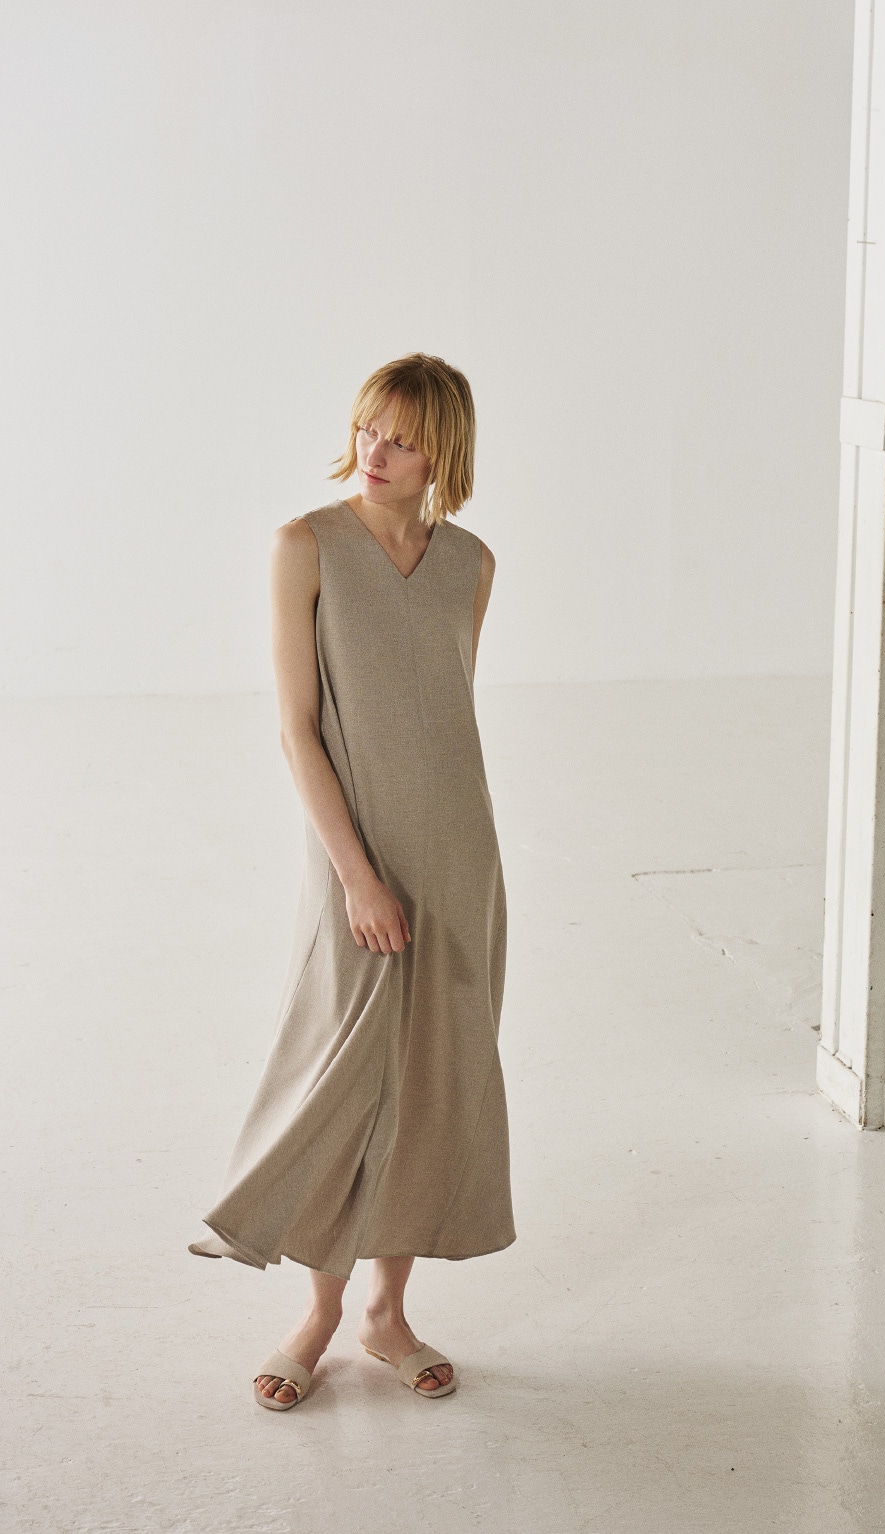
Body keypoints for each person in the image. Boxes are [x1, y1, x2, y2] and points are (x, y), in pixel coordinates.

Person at [188, 352, 515, 1409]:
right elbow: (298, 730)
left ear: (443, 453)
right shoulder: (307, 545)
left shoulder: (473, 564)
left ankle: (385, 1312)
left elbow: (445, 715)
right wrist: (358, 878)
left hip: (459, 856)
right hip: (354, 855)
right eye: (369, 427)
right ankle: (319, 1312)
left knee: (430, 1079)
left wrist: (444, 871)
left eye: (404, 438)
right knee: (338, 1075)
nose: (376, 451)